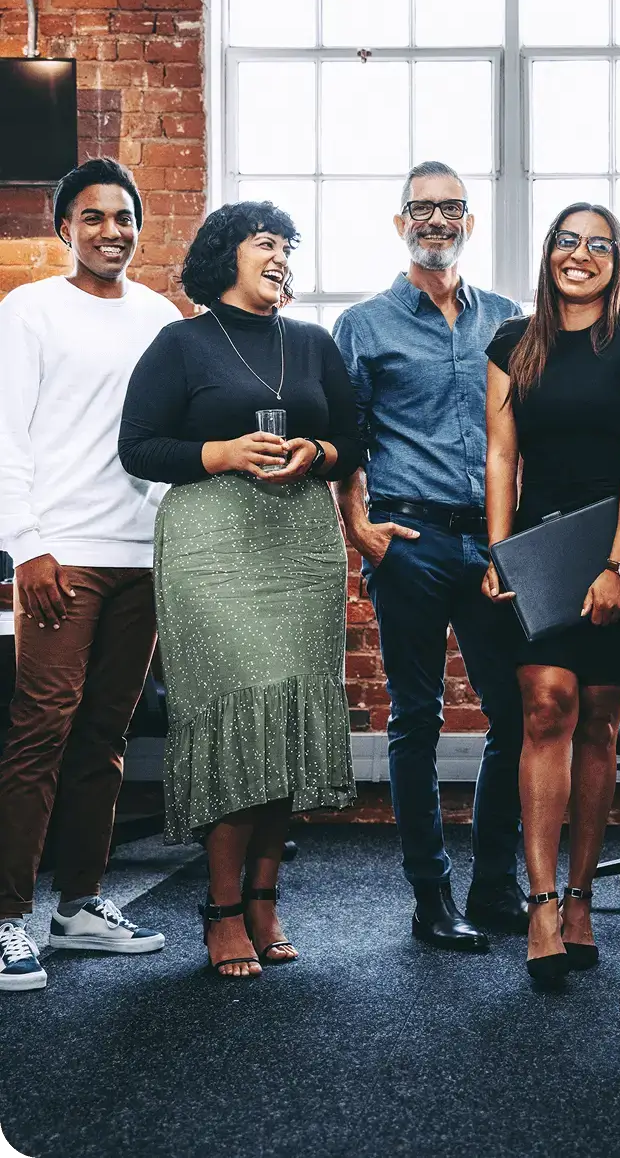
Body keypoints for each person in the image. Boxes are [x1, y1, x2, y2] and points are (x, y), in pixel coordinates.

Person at [118, 201, 362, 979]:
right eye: (267, 243)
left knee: (284, 716)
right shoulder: (180, 344)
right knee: (233, 713)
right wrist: (220, 451)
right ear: (227, 255)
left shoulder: (313, 343)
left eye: (289, 245)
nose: (283, 255)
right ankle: (221, 910)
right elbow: (139, 446)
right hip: (212, 546)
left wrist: (315, 449)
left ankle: (264, 899)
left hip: (300, 545)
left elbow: (356, 439)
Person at [333, 161, 527, 953]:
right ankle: (430, 895)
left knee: (512, 714)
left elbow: (526, 437)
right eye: (423, 208)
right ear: (400, 222)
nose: (437, 220)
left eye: (452, 208)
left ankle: (493, 885)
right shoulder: (365, 325)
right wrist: (360, 528)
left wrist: (516, 541)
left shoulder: (509, 319)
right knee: (416, 718)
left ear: (470, 222)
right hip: (408, 538)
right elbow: (346, 439)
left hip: (493, 540)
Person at [0, 158, 179, 993]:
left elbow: (171, 437)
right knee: (42, 731)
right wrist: (25, 544)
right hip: (61, 556)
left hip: (140, 554)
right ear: (64, 226)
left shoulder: (158, 317)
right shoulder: (29, 310)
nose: (113, 231)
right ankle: (7, 920)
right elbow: (7, 436)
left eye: (125, 217)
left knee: (106, 739)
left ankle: (79, 906)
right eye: (95, 217)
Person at [484, 204, 620, 986]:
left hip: (615, 547)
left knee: (598, 719)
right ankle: (543, 901)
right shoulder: (512, 344)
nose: (579, 255)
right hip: (542, 551)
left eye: (598, 245)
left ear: (617, 261)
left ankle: (583, 897)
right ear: (547, 252)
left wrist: (619, 566)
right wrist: (502, 554)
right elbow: (500, 456)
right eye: (565, 241)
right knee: (546, 703)